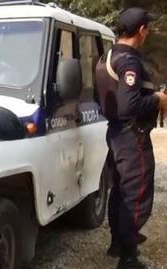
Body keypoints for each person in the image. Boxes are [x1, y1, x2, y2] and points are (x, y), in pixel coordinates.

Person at [95, 7, 167, 269]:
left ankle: (118, 243)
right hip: (131, 136)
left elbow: (104, 98)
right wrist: (157, 99)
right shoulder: (129, 61)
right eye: (148, 28)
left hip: (116, 133)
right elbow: (128, 105)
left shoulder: (107, 56)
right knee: (137, 195)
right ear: (141, 31)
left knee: (120, 192)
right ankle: (128, 258)